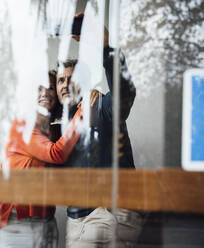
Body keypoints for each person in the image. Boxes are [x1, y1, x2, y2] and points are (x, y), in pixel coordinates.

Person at [55, 14, 142, 248]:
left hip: (114, 214)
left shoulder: (98, 105)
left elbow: (124, 95)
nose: (64, 84)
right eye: (60, 80)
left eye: (71, 79)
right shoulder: (56, 129)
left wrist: (107, 47)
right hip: (79, 223)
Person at [0, 71, 82, 248]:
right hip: (15, 224)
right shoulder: (22, 125)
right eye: (37, 89)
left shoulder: (54, 130)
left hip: (46, 221)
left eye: (49, 88)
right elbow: (57, 153)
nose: (43, 93)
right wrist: (83, 111)